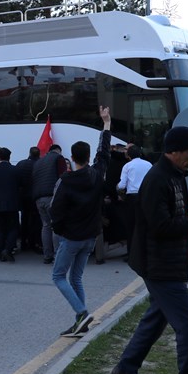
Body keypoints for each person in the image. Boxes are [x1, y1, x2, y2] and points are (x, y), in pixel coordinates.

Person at [110, 126, 188, 374]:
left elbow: (174, 219)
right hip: (159, 266)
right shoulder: (158, 180)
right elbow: (161, 227)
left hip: (169, 261)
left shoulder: (174, 175)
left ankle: (125, 369)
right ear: (174, 151)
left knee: (156, 318)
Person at [49, 106, 111, 337]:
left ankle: (82, 312)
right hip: (91, 236)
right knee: (76, 277)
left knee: (58, 276)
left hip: (72, 237)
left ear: (72, 158)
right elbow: (104, 152)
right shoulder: (97, 174)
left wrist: (60, 231)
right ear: (88, 157)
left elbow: (56, 212)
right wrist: (106, 124)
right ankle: (80, 321)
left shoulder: (67, 181)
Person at [31, 143, 67, 264]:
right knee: (56, 225)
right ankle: (58, 256)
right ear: (58, 151)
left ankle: (47, 255)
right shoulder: (58, 158)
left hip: (38, 198)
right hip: (52, 197)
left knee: (46, 226)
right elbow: (63, 178)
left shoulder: (38, 162)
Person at [117, 144, 153, 254]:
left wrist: (117, 188)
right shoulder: (148, 164)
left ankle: (132, 253)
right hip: (146, 196)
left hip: (132, 198)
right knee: (145, 224)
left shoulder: (127, 166)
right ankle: (146, 251)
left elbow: (122, 185)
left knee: (131, 226)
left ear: (129, 155)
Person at [14, 146, 42, 252]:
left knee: (25, 219)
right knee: (36, 220)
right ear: (39, 154)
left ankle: (23, 242)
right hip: (35, 196)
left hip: (23, 196)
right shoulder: (41, 164)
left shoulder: (21, 164)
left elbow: (16, 179)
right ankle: (34, 242)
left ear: (29, 153)